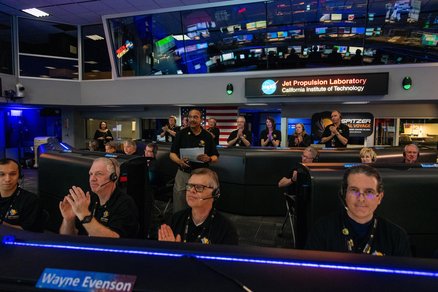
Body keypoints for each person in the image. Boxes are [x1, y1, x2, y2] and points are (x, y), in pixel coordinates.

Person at [306, 164, 411, 256]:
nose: (361, 199)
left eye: (369, 192)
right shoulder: (322, 230)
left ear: (379, 197)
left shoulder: (396, 236)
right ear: (344, 194)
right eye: (354, 190)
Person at [59, 157, 139, 238]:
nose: (92, 179)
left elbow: (113, 242)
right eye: (91, 174)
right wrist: (68, 220)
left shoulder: (125, 203)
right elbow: (68, 238)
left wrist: (84, 214)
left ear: (113, 177)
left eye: (99, 174)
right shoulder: (89, 198)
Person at [158, 168, 238, 245]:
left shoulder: (225, 230)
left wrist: (179, 250)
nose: (191, 190)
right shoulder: (175, 220)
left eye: (199, 187)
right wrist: (169, 250)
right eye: (189, 186)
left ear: (215, 193)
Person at [170, 109, 219, 214]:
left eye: (195, 117)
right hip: (184, 173)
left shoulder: (207, 136)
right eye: (190, 117)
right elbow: (172, 154)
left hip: (201, 175)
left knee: (200, 202)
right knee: (179, 201)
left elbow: (216, 156)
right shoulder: (181, 134)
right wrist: (179, 161)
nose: (192, 119)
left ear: (201, 119)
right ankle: (179, 224)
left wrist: (209, 158)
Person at [0, 158, 40, 231]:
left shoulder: (31, 200)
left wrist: (2, 224)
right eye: (1, 174)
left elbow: (29, 231)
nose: (7, 179)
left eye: (12, 174)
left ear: (19, 176)